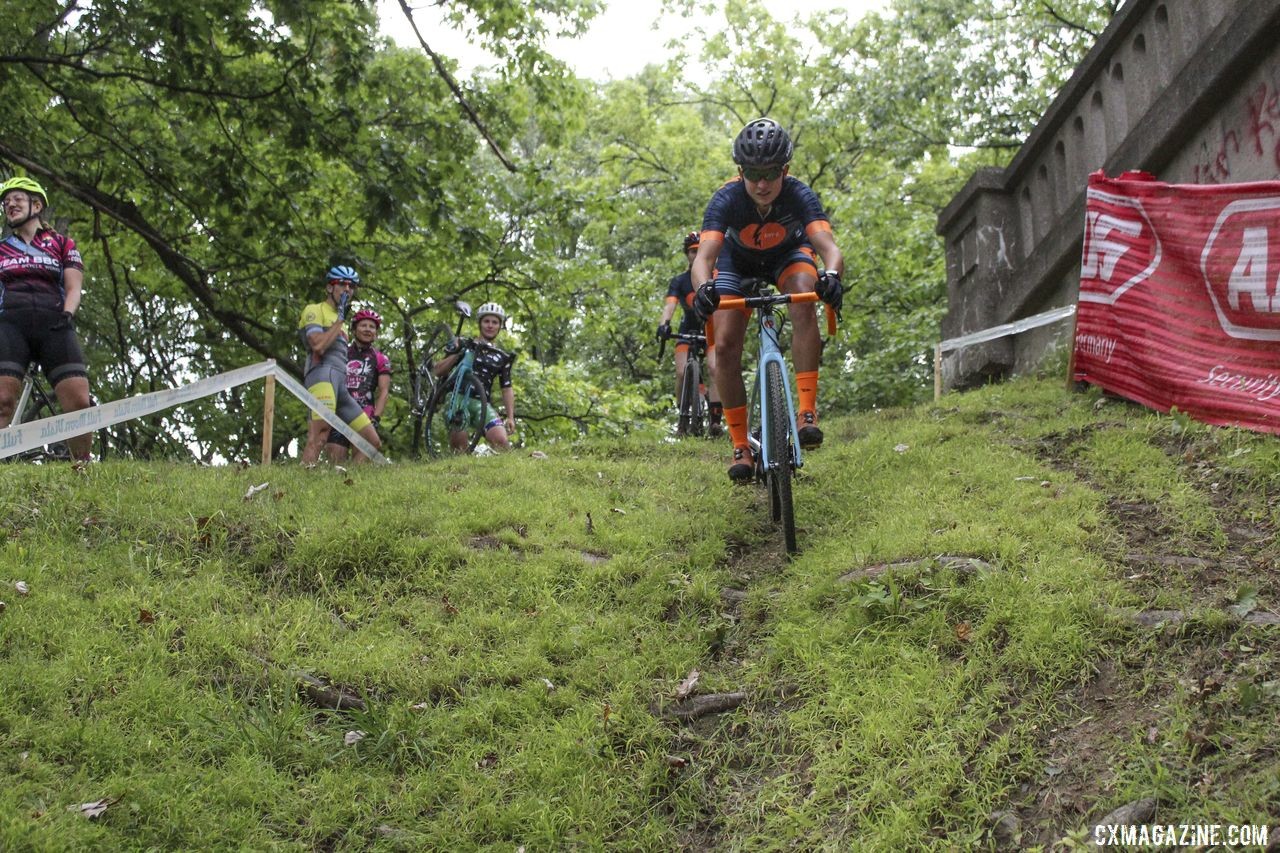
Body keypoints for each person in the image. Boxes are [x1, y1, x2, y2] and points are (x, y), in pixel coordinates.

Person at [689, 118, 845, 481]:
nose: (761, 183)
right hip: (735, 263)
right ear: (740, 170)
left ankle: (806, 411)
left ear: (785, 170)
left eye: (771, 173)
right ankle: (741, 444)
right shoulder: (726, 198)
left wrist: (832, 276)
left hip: (787, 256)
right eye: (753, 173)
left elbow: (829, 250)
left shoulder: (799, 194)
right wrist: (702, 289)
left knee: (804, 296)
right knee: (724, 348)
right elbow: (704, 258)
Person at [0, 176, 94, 462]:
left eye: (17, 199)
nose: (9, 205)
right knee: (2, 401)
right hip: (10, 325)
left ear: (36, 204)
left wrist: (67, 313)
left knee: (79, 402)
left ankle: (82, 469)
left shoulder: (63, 244)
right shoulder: (2, 248)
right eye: (6, 202)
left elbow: (74, 287)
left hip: (55, 322)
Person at [298, 265, 382, 464]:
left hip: (340, 385)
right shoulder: (315, 310)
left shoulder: (340, 321)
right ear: (329, 288)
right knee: (320, 435)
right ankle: (301, 482)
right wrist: (340, 320)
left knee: (371, 441)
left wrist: (340, 320)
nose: (347, 290)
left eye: (351, 286)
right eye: (342, 284)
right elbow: (318, 345)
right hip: (320, 376)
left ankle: (347, 484)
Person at [656, 230, 722, 436]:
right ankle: (683, 415)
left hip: (712, 329)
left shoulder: (717, 277)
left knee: (714, 369)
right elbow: (670, 305)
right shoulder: (680, 281)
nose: (695, 255)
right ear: (687, 254)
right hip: (687, 330)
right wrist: (664, 324)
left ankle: (715, 421)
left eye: (699, 250)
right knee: (681, 372)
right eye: (692, 251)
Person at [432, 301, 516, 451]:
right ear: (480, 323)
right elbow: (438, 370)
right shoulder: (464, 343)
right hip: (457, 397)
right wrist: (459, 353)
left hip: (481, 403)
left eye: (495, 322)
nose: (490, 325)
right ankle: (460, 472)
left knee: (501, 441)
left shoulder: (502, 357)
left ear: (500, 326)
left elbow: (506, 388)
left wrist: (510, 417)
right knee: (460, 442)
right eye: (486, 321)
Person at [324, 307, 391, 463]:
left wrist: (376, 418)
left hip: (365, 414)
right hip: (339, 412)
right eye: (363, 325)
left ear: (376, 332)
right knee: (334, 465)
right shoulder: (341, 352)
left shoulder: (381, 358)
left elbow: (384, 391)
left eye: (372, 327)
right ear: (354, 329)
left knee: (359, 467)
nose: (368, 329)